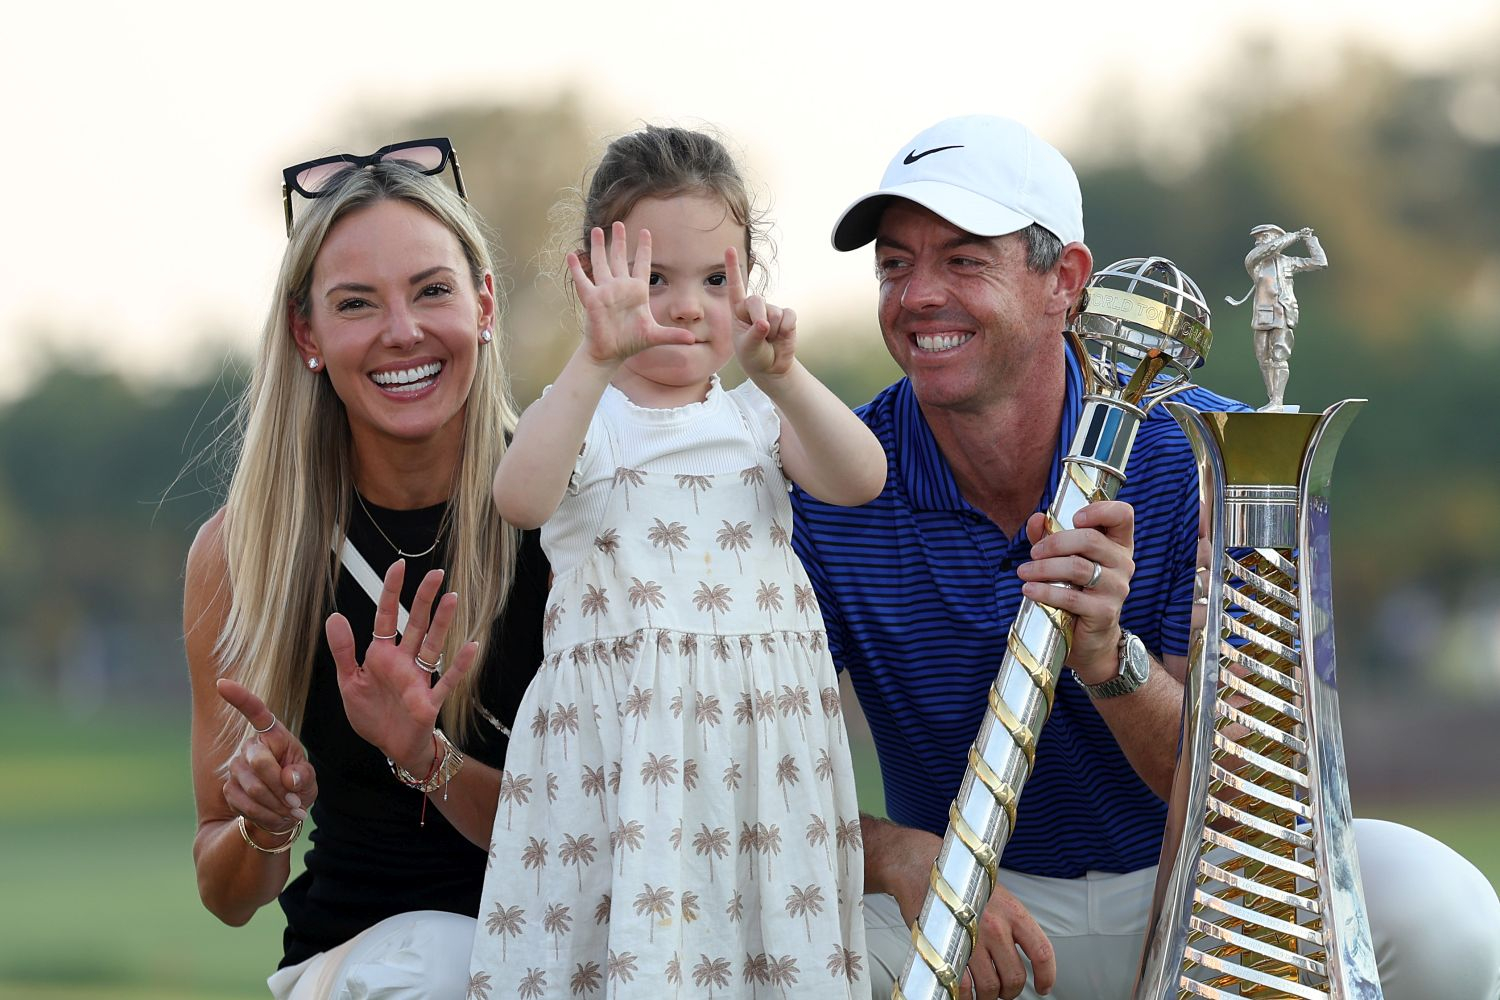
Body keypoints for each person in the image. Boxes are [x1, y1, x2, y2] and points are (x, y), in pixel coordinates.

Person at [790, 114, 1500, 1000]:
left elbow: (1250, 793)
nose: (918, 295)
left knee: (1442, 913)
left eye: (965, 260)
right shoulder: (831, 481)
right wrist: (895, 850)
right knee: (771, 948)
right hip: (969, 904)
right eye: (895, 265)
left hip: (1198, 885)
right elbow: (749, 775)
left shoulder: (1206, 455)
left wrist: (1108, 659)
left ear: (1067, 281)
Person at [469, 125, 885, 999]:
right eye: (653, 280)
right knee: (637, 957)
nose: (687, 306)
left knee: (765, 952)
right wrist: (594, 355)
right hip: (628, 760)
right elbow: (520, 498)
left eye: (714, 281)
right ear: (593, 279)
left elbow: (862, 478)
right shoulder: (586, 414)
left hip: (761, 760)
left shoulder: (756, 417)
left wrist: (785, 377)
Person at [186, 140, 548, 999]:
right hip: (370, 964)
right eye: (357, 303)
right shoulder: (244, 552)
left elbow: (600, 831)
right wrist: (263, 825)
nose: (402, 332)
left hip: (573, 948)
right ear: (307, 334)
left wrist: (427, 756)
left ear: (485, 303)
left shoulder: (574, 511)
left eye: (432, 290)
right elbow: (225, 892)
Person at [1225, 223, 1327, 410]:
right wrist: (1294, 235)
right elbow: (1270, 249)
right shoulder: (1254, 261)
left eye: (1263, 237)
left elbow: (1320, 262)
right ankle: (1273, 398)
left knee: (1279, 355)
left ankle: (1277, 401)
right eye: (1257, 238)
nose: (1259, 241)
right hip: (1263, 315)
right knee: (1263, 358)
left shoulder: (1288, 262)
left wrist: (1310, 239)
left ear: (1275, 236)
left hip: (1284, 312)